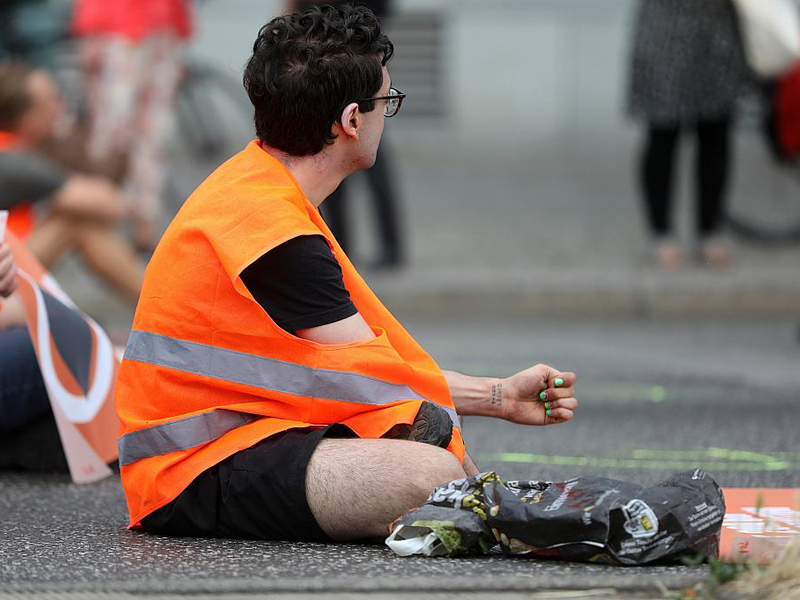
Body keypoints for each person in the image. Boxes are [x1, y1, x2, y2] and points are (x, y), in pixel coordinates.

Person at [116, 5, 578, 543]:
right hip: (189, 474)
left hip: (247, 433)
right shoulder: (275, 234)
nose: (389, 115)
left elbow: (355, 375)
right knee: (429, 475)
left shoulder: (259, 190)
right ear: (352, 119)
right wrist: (492, 400)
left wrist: (497, 397)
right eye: (389, 101)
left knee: (419, 438)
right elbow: (376, 383)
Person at [0, 61, 145, 305]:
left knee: (75, 217)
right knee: (76, 222)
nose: (61, 107)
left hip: (10, 259)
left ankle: (162, 306)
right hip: (7, 273)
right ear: (26, 119)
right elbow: (111, 205)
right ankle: (165, 307)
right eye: (51, 101)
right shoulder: (15, 161)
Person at [628, 0, 752, 268]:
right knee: (662, 133)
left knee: (716, 135)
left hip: (717, 29)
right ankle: (660, 232)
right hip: (666, 24)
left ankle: (709, 231)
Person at [287, 0, 404, 268]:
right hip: (335, 46)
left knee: (352, 150)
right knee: (336, 149)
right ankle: (342, 246)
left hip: (347, 48)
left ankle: (352, 246)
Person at [72, 0, 193, 251]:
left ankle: (143, 215)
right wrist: (91, 32)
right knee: (113, 127)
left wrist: (181, 35)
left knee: (155, 131)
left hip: (162, 27)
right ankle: (97, 208)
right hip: (118, 27)